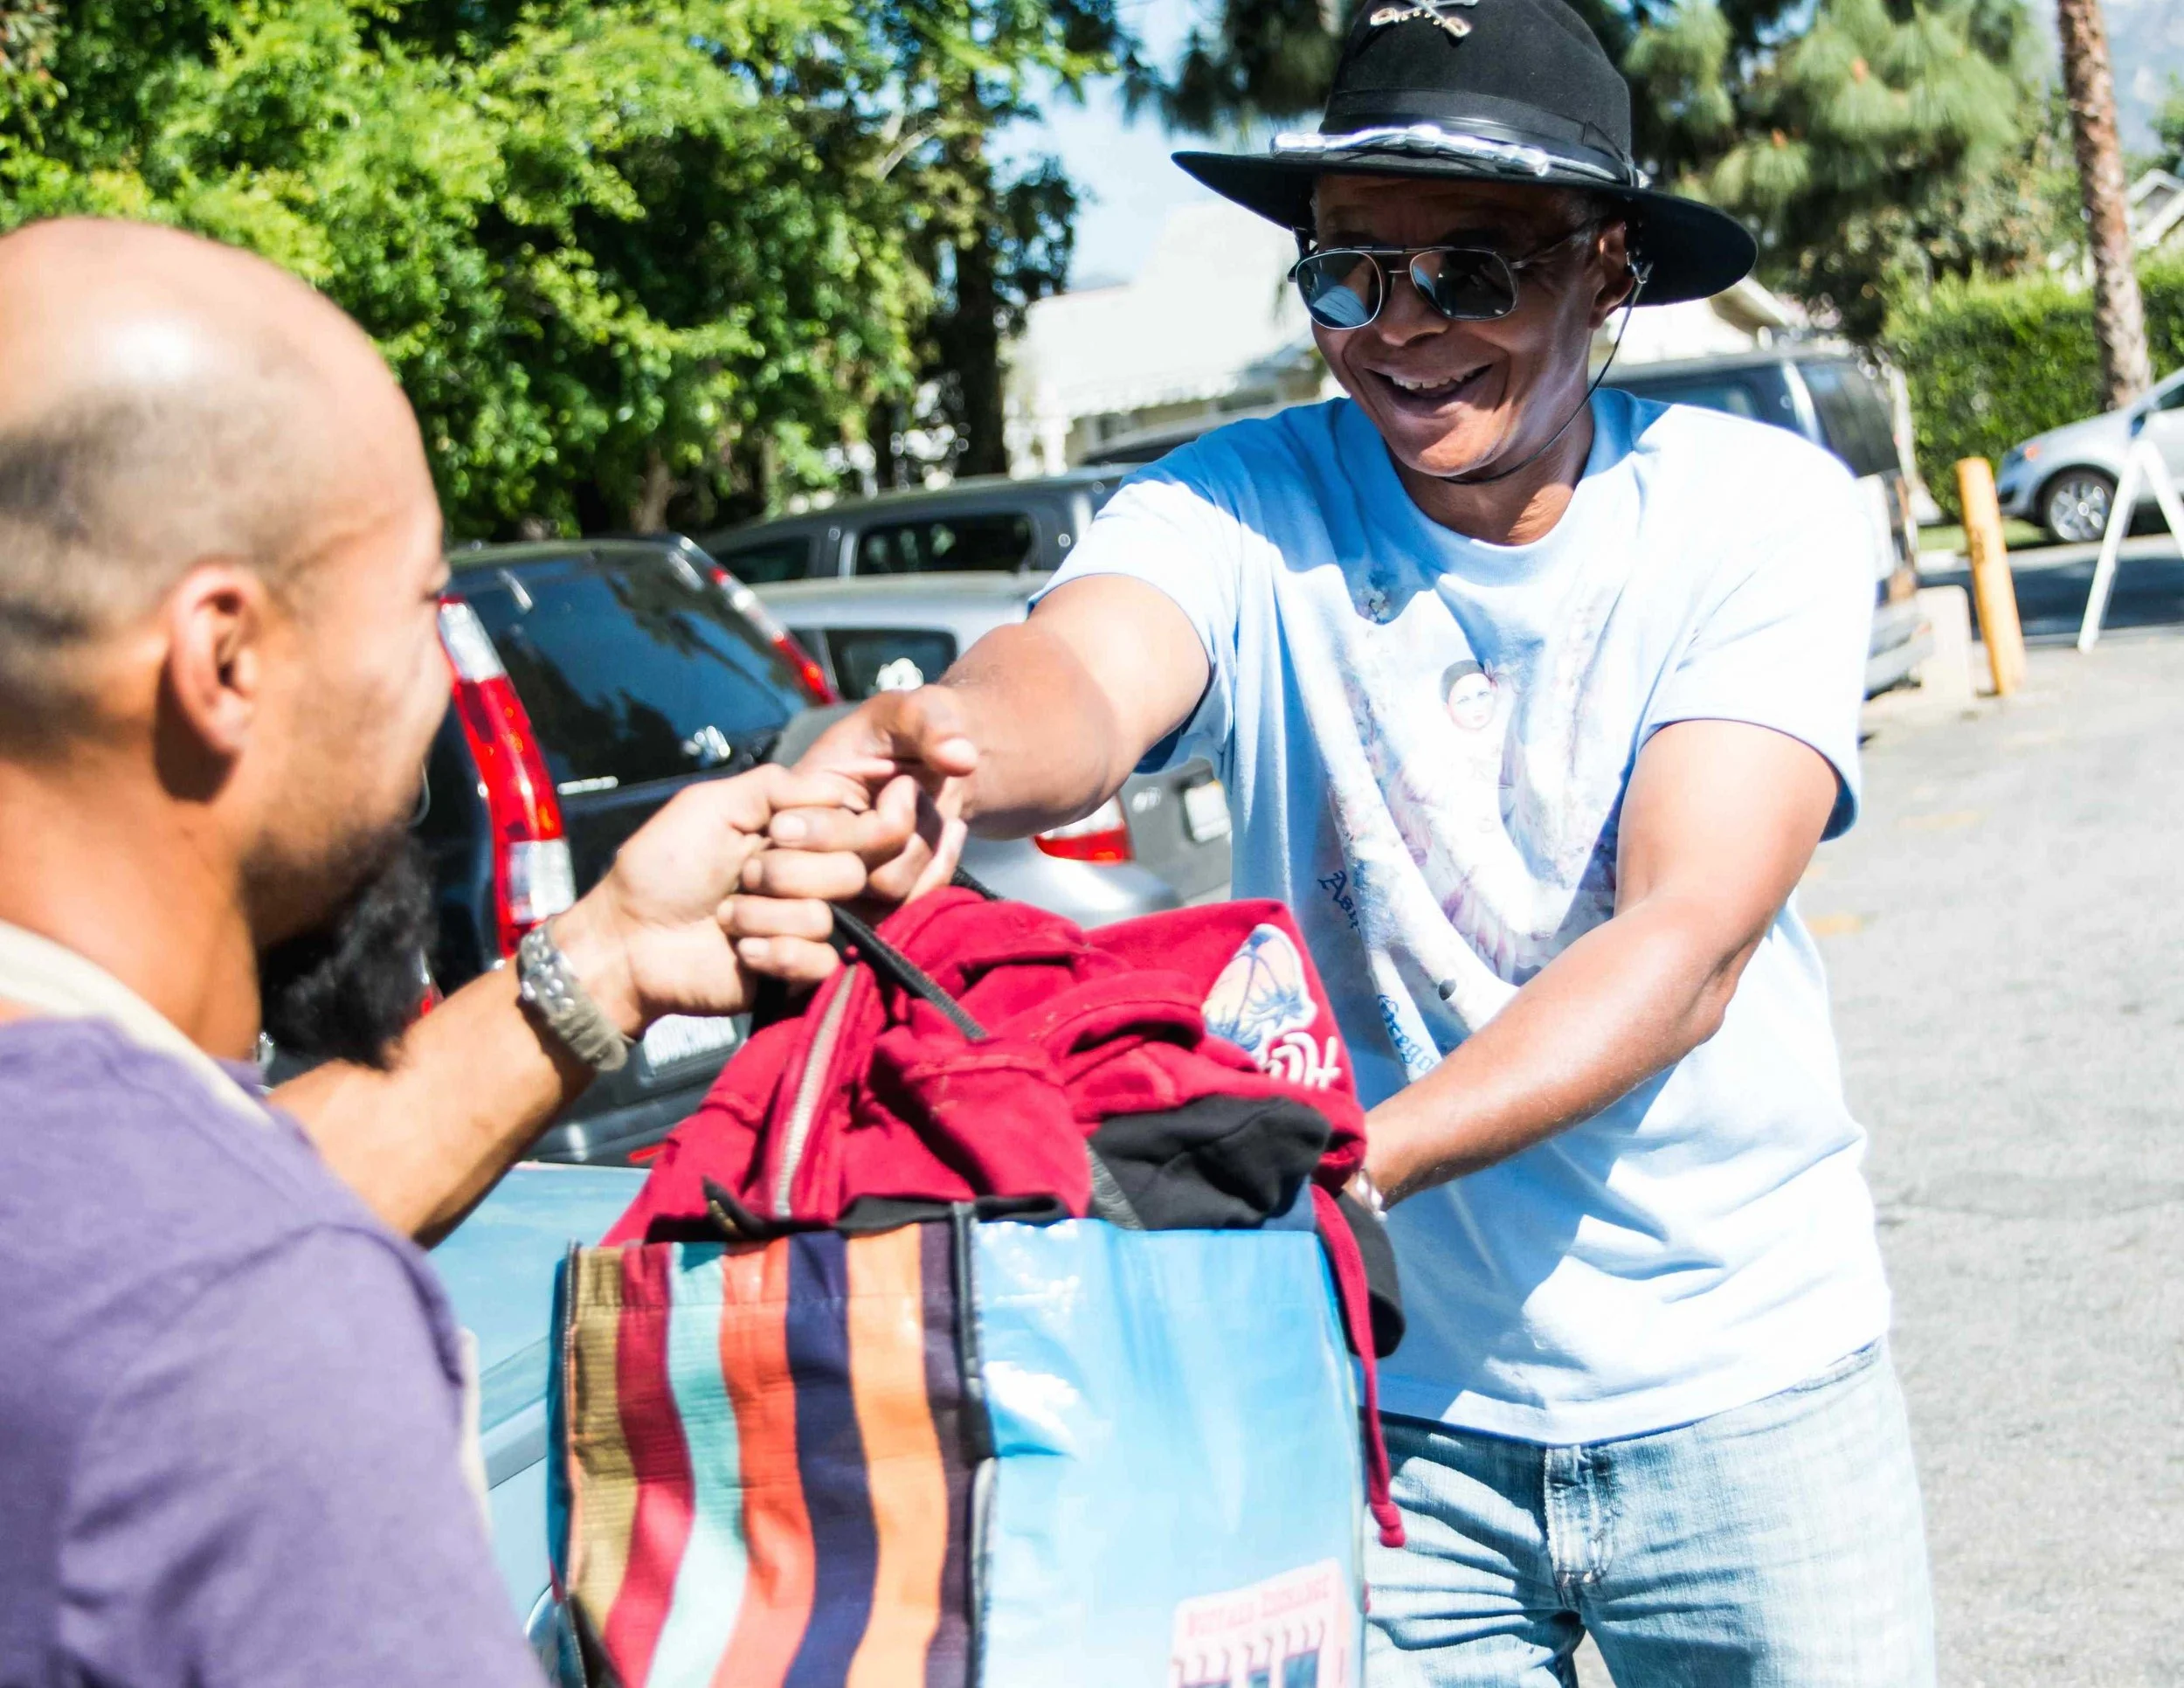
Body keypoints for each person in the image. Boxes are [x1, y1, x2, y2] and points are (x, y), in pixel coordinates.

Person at [794, 1, 1937, 1682]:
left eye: (1475, 271)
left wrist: (1346, 1166)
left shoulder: (1753, 512)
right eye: (1350, 273)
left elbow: (1682, 944)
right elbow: (1083, 672)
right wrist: (947, 750)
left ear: (1607, 270)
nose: (1403, 331)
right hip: (1388, 1413)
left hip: (1746, 1392)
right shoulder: (1239, 503)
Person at [0, 218, 926, 1685]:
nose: (440, 675)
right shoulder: (239, 1331)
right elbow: (205, 1266)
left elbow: (145, 1215)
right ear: (223, 660)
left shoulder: (107, 1217)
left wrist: (611, 955)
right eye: (423, 605)